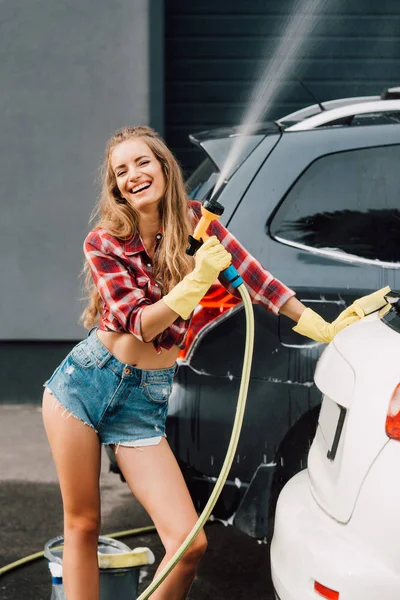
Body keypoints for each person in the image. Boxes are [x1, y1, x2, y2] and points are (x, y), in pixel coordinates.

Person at [42, 125, 390, 600]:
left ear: (164, 167)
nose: (133, 175)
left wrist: (323, 326)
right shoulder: (105, 243)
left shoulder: (198, 225)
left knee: (188, 545)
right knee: (83, 523)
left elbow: (258, 280)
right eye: (121, 171)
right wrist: (196, 280)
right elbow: (138, 322)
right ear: (116, 187)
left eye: (142, 162)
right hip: (83, 387)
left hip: (142, 404)